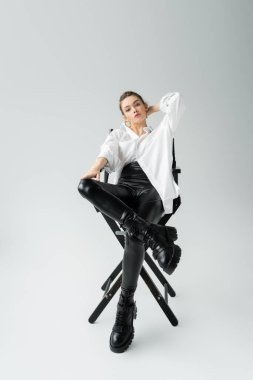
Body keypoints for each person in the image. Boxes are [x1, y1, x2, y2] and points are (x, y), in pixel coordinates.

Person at [77, 90, 185, 353]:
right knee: (85, 186)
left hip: (152, 191)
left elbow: (176, 99)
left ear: (144, 107)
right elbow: (106, 153)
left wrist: (153, 108)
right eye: (127, 108)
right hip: (125, 189)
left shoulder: (161, 131)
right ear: (123, 115)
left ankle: (125, 305)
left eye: (137, 104)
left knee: (132, 234)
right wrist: (95, 168)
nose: (133, 110)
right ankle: (154, 234)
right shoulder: (118, 135)